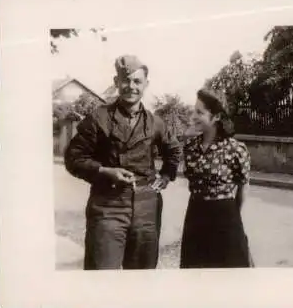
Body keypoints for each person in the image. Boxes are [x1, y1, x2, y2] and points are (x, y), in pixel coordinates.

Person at [64, 55, 182, 270]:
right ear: (116, 81)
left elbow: (173, 150)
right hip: (107, 207)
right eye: (125, 80)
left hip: (146, 208)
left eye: (137, 81)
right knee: (101, 275)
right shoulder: (98, 118)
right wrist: (105, 171)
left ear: (146, 84)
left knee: (141, 279)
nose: (131, 87)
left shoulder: (156, 122)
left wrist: (166, 176)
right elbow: (73, 158)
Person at [180, 88, 252, 268]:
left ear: (216, 117)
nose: (194, 116)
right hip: (195, 215)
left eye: (200, 112)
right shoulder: (190, 147)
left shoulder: (235, 149)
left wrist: (234, 216)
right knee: (195, 273)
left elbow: (243, 186)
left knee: (228, 275)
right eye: (193, 111)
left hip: (225, 218)